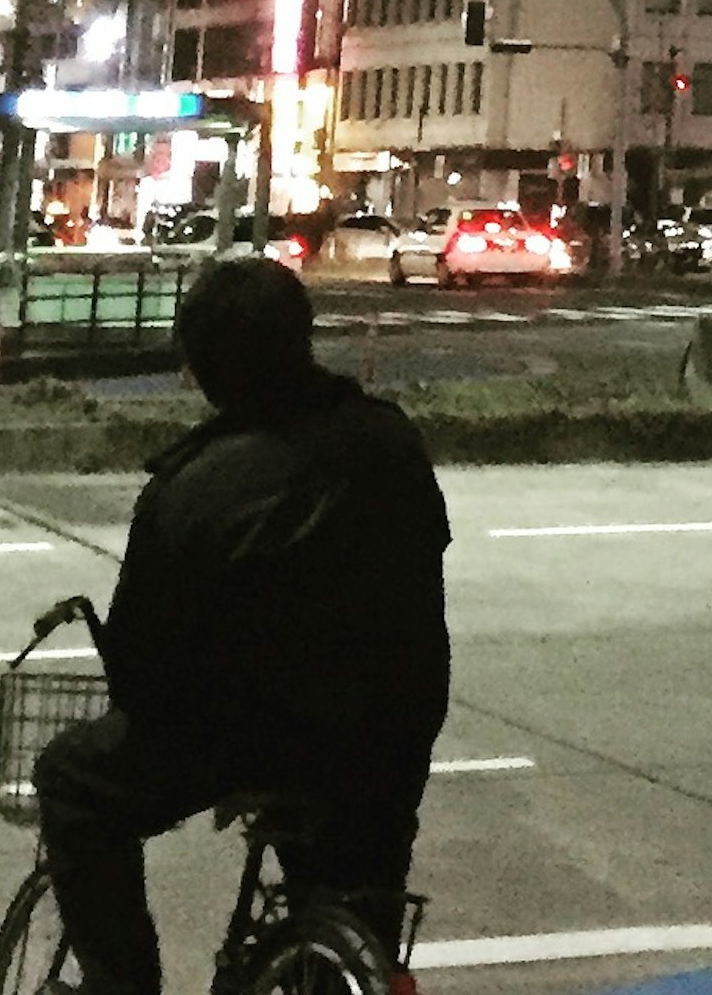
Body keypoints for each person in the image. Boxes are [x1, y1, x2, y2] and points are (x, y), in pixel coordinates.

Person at [38, 252, 451, 994]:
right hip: (391, 729)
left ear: (202, 369)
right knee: (353, 896)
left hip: (243, 738)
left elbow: (140, 668)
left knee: (73, 782)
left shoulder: (194, 486)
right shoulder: (392, 441)